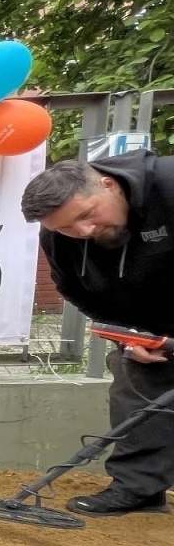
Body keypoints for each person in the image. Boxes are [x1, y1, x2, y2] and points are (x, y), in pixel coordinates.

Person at [21, 150, 174, 516]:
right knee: (135, 382)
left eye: (87, 215)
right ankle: (139, 489)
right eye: (68, 228)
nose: (84, 232)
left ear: (108, 184)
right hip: (151, 323)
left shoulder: (167, 187)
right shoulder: (59, 235)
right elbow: (75, 290)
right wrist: (128, 336)